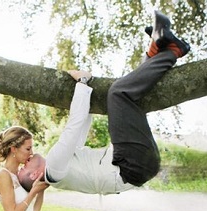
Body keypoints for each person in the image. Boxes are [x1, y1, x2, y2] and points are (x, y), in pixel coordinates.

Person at [18, 11, 190, 195]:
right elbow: (73, 127)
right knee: (118, 93)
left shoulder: (62, 169)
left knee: (130, 101)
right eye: (24, 169)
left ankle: (154, 51)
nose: (24, 162)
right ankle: (174, 50)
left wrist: (86, 96)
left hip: (137, 165)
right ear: (35, 175)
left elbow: (81, 127)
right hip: (130, 165)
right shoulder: (53, 166)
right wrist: (82, 82)